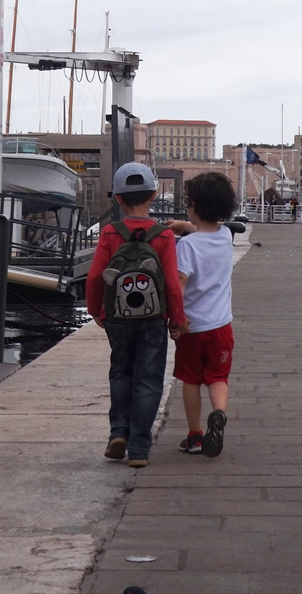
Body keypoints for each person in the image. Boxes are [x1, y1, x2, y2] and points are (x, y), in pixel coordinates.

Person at [86, 162, 189, 468]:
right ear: (155, 194)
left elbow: (94, 278)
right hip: (153, 318)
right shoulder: (164, 236)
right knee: (148, 378)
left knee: (120, 372)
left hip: (117, 318)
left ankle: (118, 431)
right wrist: (177, 319)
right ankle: (139, 448)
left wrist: (97, 311)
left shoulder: (109, 232)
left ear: (117, 198)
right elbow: (171, 282)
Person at [167, 172, 236, 459]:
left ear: (193, 205)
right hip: (222, 326)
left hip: (193, 328)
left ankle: (195, 435)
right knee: (218, 377)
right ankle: (218, 414)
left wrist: (176, 321)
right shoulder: (226, 236)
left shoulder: (186, 247)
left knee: (191, 380)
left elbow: (179, 288)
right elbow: (205, 233)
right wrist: (185, 225)